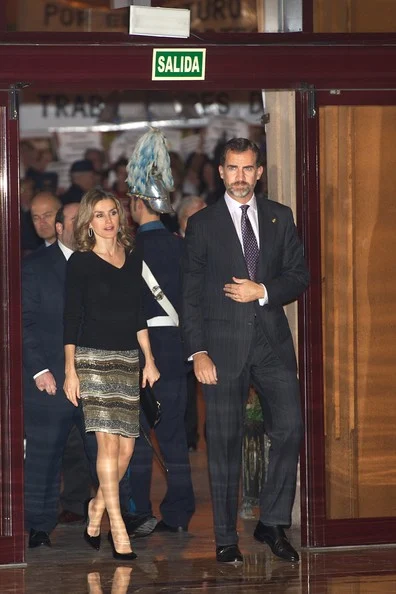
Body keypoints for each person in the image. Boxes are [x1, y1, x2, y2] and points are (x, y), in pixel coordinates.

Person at [182, 137, 310, 564]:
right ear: (221, 171)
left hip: (272, 344)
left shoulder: (279, 217)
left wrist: (264, 290)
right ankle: (224, 537)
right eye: (232, 169)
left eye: (247, 169)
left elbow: (299, 276)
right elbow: (191, 296)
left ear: (259, 172)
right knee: (222, 442)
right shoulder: (202, 225)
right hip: (220, 350)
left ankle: (272, 523)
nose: (240, 177)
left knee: (291, 429)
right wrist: (197, 351)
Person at [63, 188, 160, 560]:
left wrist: (148, 359)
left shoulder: (131, 257)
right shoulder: (80, 263)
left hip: (127, 357)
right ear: (88, 221)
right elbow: (70, 318)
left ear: (121, 217)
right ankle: (117, 527)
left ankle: (96, 507)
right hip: (92, 359)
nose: (107, 221)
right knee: (108, 446)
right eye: (100, 215)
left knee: (128, 448)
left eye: (112, 213)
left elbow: (139, 314)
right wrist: (70, 370)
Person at [22, 202, 98, 549]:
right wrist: (40, 370)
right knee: (45, 456)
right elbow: (24, 323)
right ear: (58, 228)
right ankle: (38, 525)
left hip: (94, 378)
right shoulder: (35, 267)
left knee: (106, 455)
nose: (82, 223)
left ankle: (116, 522)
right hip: (49, 380)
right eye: (73, 219)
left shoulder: (99, 262)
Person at [124, 185, 195, 535]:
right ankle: (180, 513)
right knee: (174, 436)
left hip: (138, 349)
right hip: (176, 346)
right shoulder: (183, 247)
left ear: (138, 204)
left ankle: (139, 512)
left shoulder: (128, 249)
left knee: (137, 437)